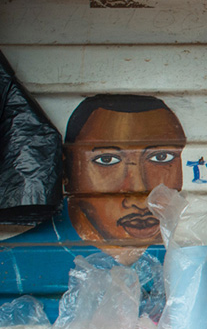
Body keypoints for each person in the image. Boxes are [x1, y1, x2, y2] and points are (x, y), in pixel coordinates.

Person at [63, 94, 186, 262]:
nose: (141, 200)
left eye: (161, 157)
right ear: (67, 169)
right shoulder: (23, 259)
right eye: (106, 160)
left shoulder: (197, 255)